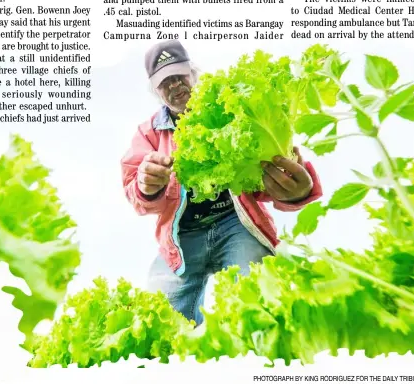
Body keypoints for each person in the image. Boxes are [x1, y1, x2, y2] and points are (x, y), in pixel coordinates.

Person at [120, 40, 323, 326]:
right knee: (159, 317)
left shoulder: (233, 111)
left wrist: (295, 191)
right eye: (165, 82)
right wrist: (146, 185)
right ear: (155, 90)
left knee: (261, 301)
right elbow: (133, 186)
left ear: (194, 72)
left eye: (179, 76)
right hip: (182, 238)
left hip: (237, 225)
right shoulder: (149, 132)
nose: (175, 85)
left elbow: (265, 173)